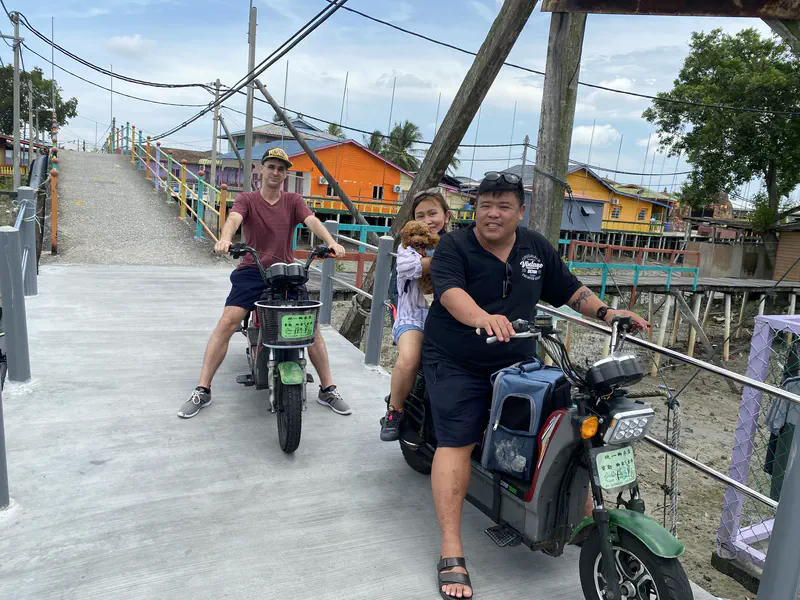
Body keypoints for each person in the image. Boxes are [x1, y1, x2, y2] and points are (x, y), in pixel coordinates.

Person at [422, 172, 650, 599]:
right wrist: (481, 318)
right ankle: (451, 546)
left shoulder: (535, 247)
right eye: (485, 204)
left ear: (519, 212)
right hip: (457, 358)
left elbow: (569, 289)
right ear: (475, 208)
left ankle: (582, 516)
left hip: (519, 359)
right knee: (459, 438)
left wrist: (606, 313)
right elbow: (450, 293)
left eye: (503, 206)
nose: (493, 213)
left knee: (566, 422)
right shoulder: (455, 244)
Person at [177, 148, 351, 419]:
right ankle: (203, 388)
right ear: (261, 170)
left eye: (281, 169)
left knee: (310, 326)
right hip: (252, 268)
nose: (275, 172)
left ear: (285, 174)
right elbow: (234, 219)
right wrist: (225, 238)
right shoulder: (247, 199)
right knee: (229, 319)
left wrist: (331, 242)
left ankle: (327, 388)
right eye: (271, 167)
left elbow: (311, 220)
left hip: (286, 271)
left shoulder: (293, 200)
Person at [380, 189, 450, 441]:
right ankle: (394, 410)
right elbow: (409, 268)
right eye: (420, 216)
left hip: (448, 316)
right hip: (413, 315)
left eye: (433, 213)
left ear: (446, 216)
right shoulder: (408, 247)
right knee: (409, 358)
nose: (427, 221)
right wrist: (450, 258)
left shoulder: (454, 243)